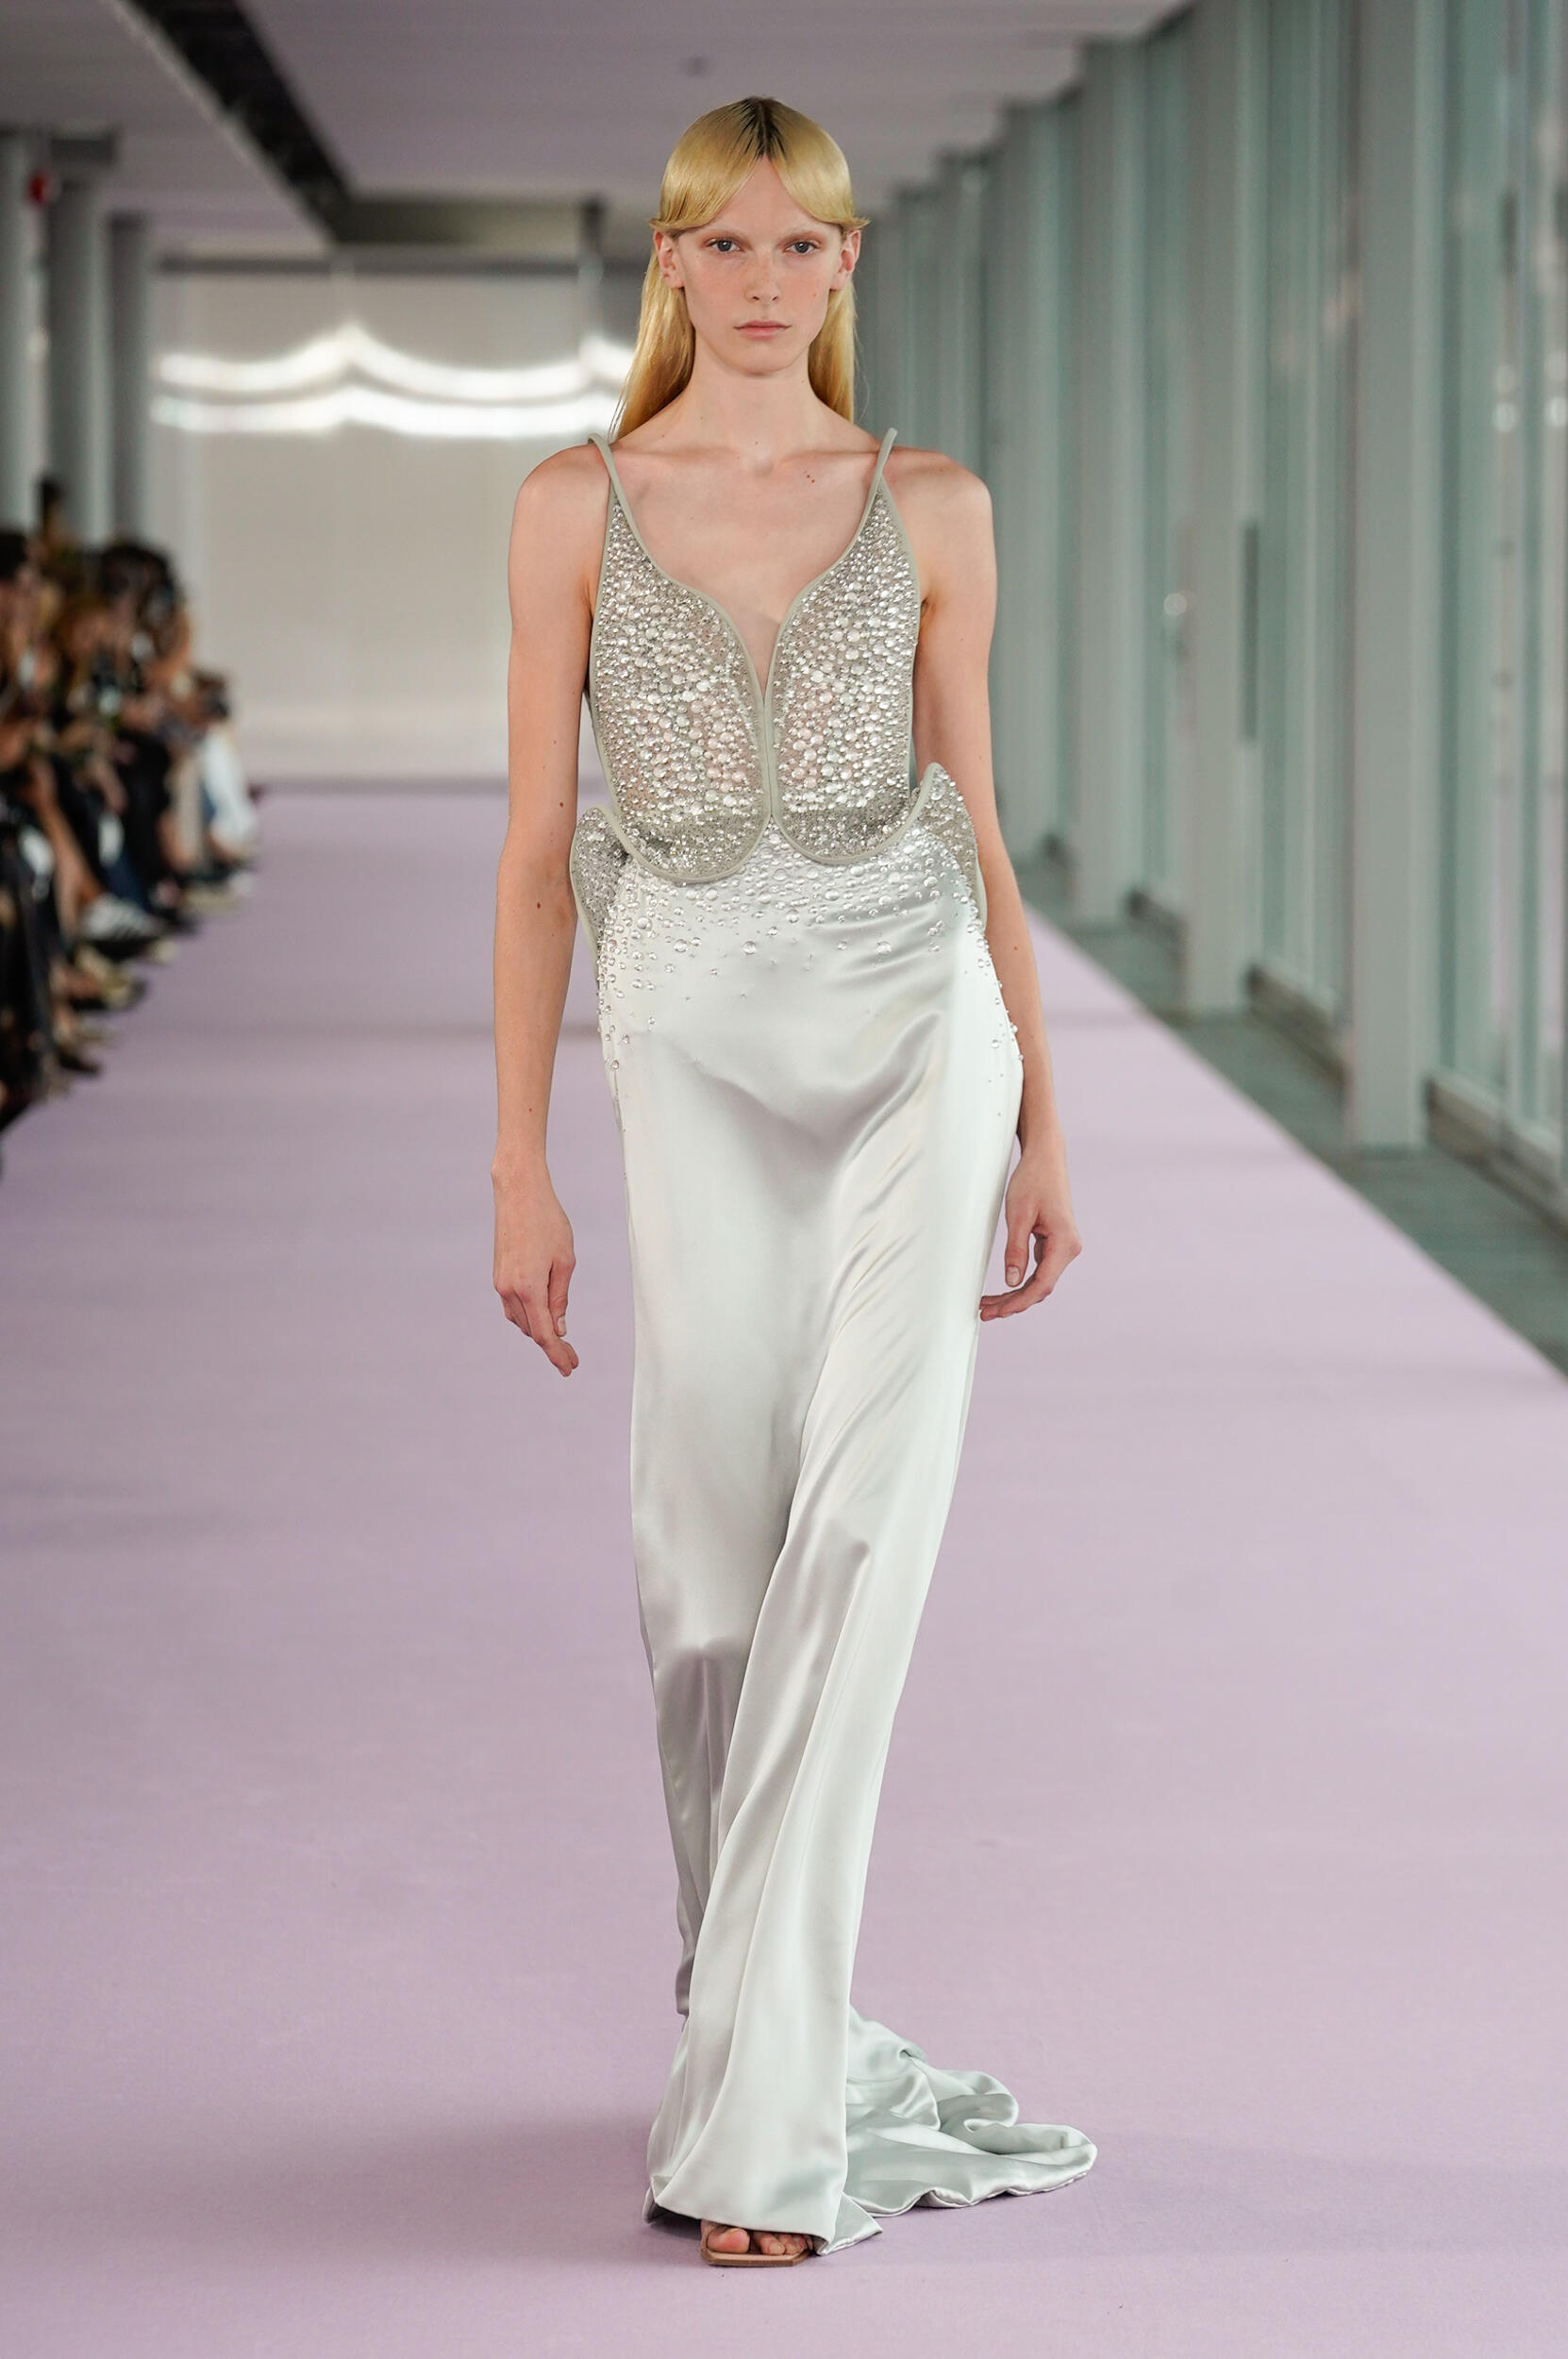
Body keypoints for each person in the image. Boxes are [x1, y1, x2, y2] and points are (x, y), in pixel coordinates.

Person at [492, 94, 1095, 2267]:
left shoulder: (932, 504)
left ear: (850, 265)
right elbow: (536, 854)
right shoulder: (573, 504)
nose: (764, 281)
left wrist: (1045, 1113)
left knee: (860, 1533)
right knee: (708, 1575)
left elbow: (980, 822)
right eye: (724, 244)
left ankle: (758, 2133)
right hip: (686, 1039)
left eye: (802, 244)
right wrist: (515, 1159)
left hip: (919, 1027)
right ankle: (751, 2011)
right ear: (670, 264)